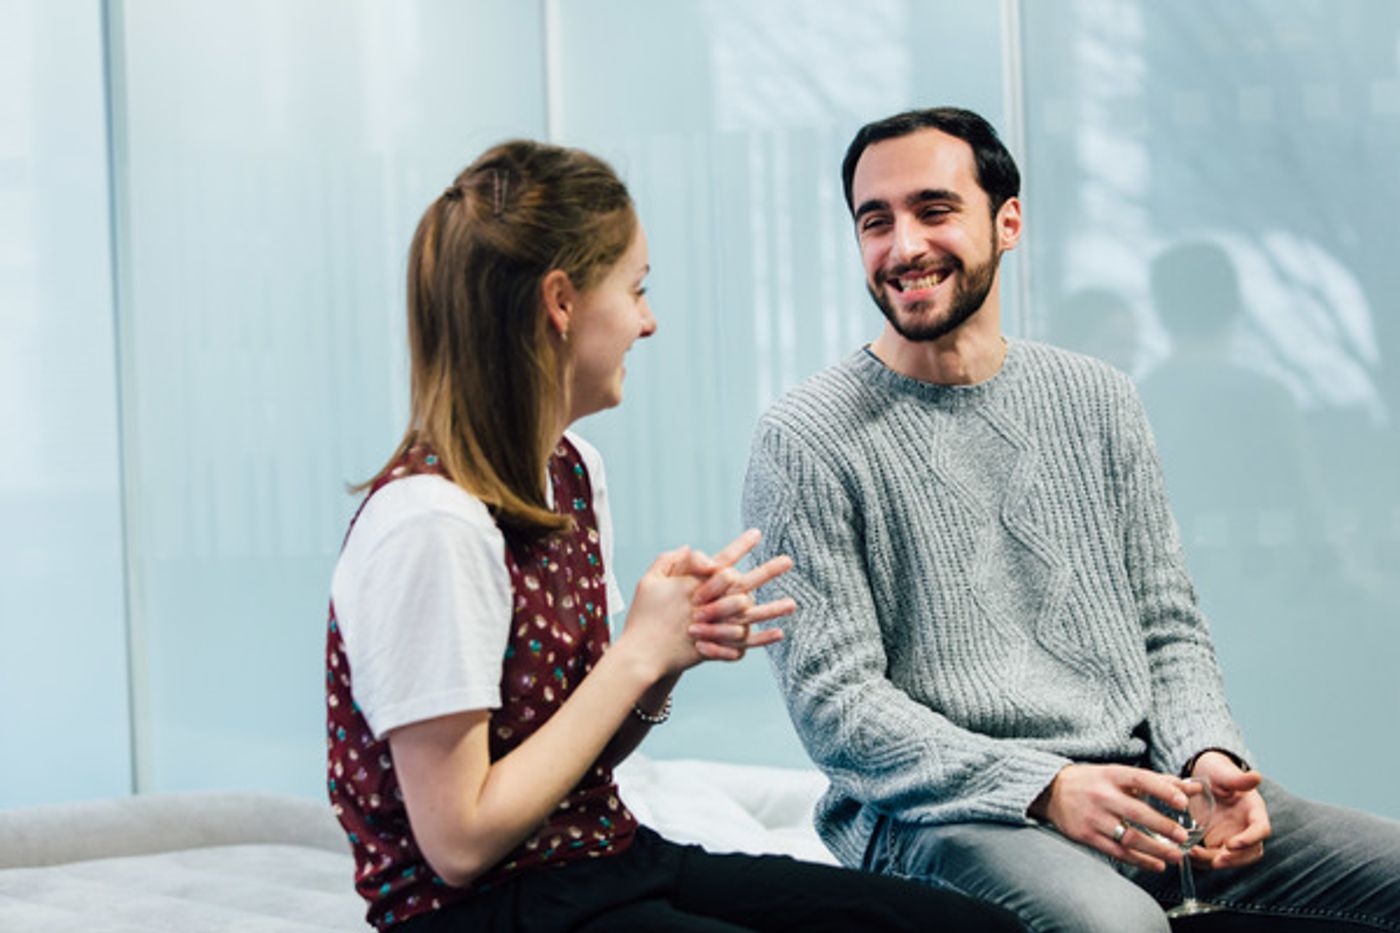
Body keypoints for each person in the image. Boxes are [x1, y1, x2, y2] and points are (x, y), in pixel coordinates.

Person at [325, 139, 1022, 933]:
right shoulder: (429, 527)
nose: (647, 323)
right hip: (477, 912)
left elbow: (576, 762)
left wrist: (664, 660)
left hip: (603, 861)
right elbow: (460, 841)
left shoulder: (571, 469)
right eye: (636, 289)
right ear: (561, 302)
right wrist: (634, 654)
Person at [740, 107, 1400, 932]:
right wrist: (1044, 787)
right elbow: (837, 706)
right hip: (943, 816)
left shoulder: (1098, 398)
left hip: (1143, 787)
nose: (902, 246)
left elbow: (1167, 626)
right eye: (876, 222)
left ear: (1007, 221)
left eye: (934, 210)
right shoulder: (805, 437)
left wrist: (1208, 756)